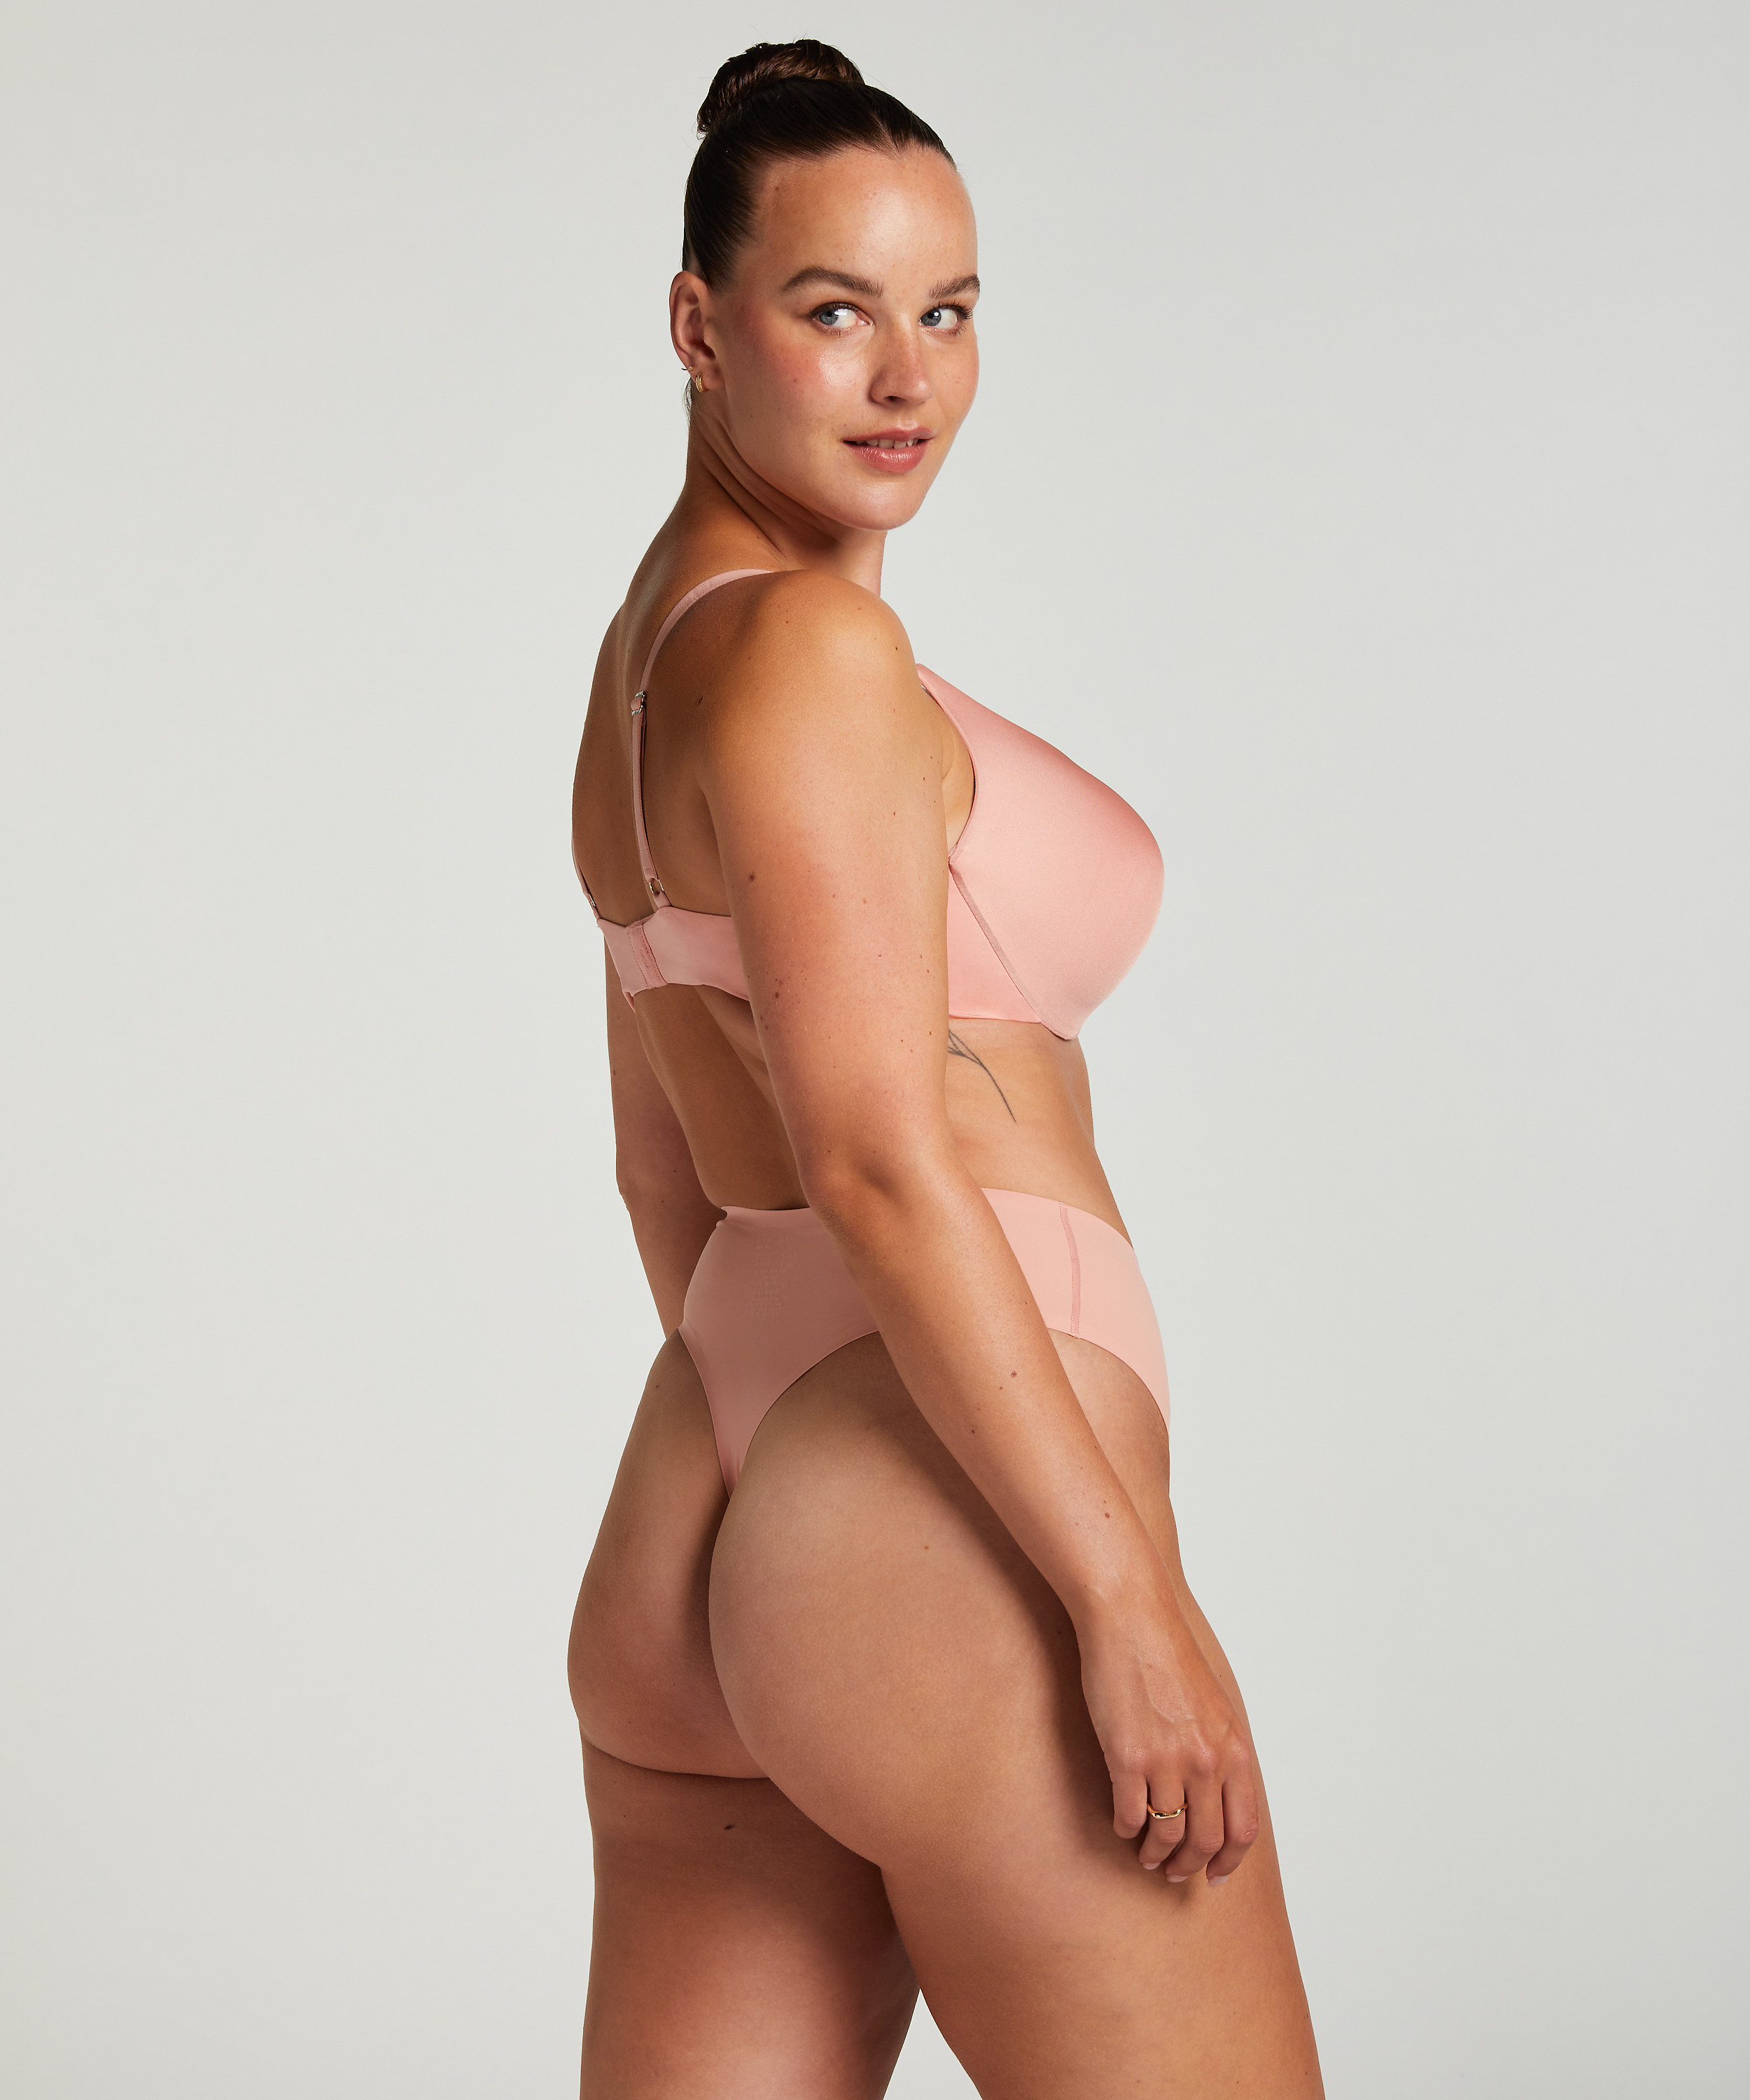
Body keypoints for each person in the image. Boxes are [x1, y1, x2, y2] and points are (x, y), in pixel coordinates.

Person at [567, 39, 1322, 2099]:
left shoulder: (649, 664)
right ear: (698, 326)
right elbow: (881, 1163)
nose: (908, 377)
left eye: (950, 311)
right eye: (836, 311)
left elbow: (660, 1168)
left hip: (703, 1499)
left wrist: (781, 1469)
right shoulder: (812, 656)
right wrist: (1122, 1598)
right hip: (946, 1525)